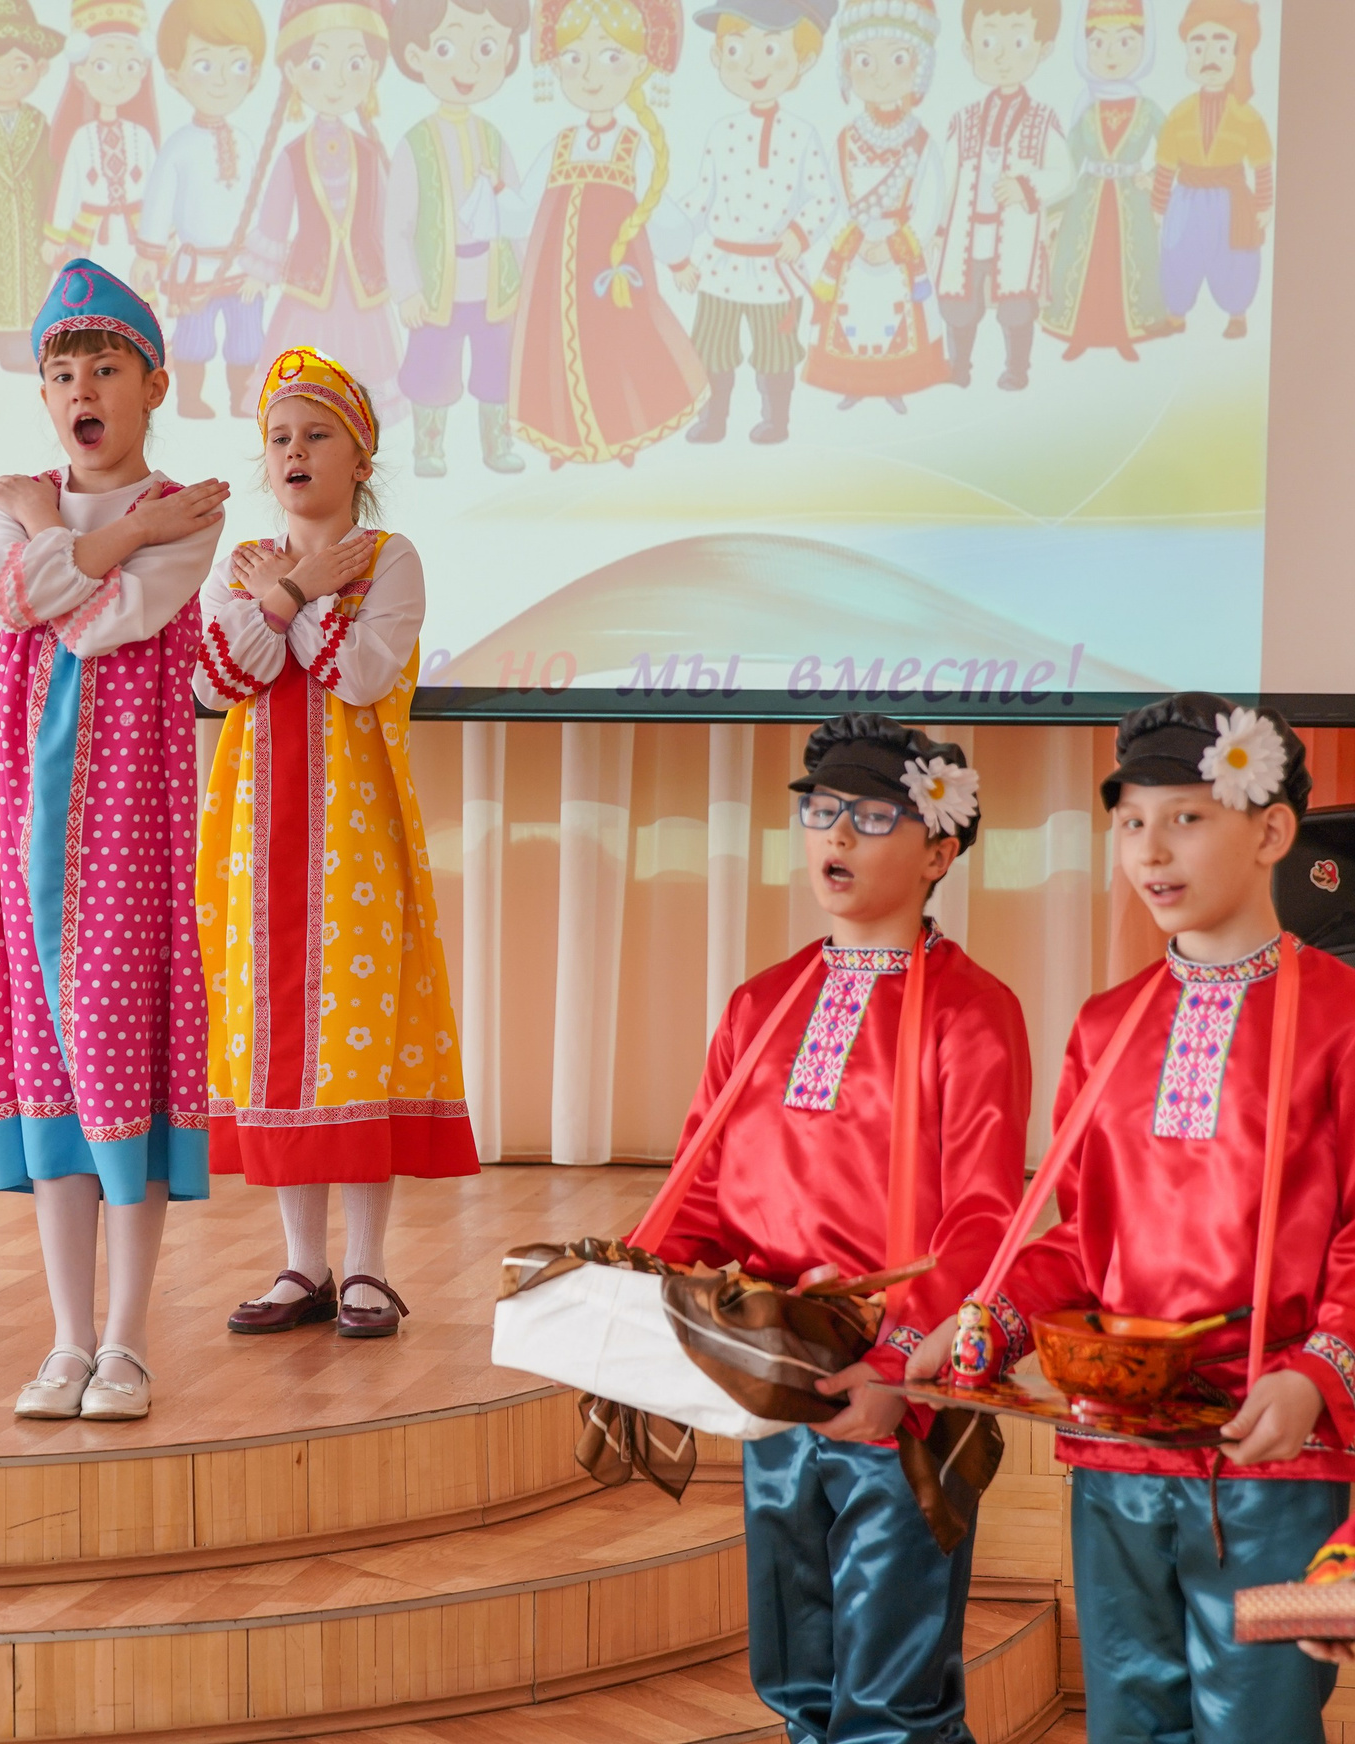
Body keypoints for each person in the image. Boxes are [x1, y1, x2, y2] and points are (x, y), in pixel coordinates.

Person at [917, 696, 1355, 1744]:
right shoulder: (1105, 1027)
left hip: (1275, 1460)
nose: (1148, 850)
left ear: (1271, 831)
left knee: (1257, 1723)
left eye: (1185, 818)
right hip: (1112, 1457)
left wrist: (1318, 1369)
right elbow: (1079, 1235)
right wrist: (990, 1319)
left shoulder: (1342, 1015)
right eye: (1128, 822)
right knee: (1126, 1715)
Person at [635, 718, 1028, 1744]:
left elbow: (983, 1214)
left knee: (895, 1701)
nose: (834, 835)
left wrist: (903, 1357)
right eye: (819, 812)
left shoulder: (972, 1013)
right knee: (795, 1673)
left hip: (898, 1389)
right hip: (774, 1378)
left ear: (938, 851)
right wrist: (639, 1290)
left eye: (870, 815)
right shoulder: (761, 1001)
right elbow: (700, 1185)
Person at [0, 260, 229, 1423]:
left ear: (152, 383)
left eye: (106, 366)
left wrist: (82, 544)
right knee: (47, 1081)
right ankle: (64, 1338)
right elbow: (15, 600)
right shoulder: (15, 503)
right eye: (62, 370)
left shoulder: (190, 512)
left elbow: (110, 617)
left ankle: (126, 1339)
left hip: (127, 830)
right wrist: (51, 527)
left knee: (122, 1060)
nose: (83, 387)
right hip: (27, 835)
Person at [194, 347, 478, 1340]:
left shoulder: (391, 557)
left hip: (352, 840)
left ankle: (365, 1267)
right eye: (279, 437)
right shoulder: (240, 565)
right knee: (274, 1041)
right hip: (255, 844)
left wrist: (300, 595)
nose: (294, 452)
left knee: (353, 1034)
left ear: (359, 458)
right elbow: (218, 677)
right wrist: (290, 588)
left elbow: (357, 673)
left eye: (316, 435)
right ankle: (299, 1264)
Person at [496, 0, 706, 467]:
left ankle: (618, 435)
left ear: (639, 63)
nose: (590, 74)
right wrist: (495, 193)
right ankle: (563, 437)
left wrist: (679, 258)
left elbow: (660, 212)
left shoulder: (633, 146)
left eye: (610, 57)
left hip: (614, 275)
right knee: (554, 348)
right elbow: (526, 204)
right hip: (555, 277)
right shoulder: (562, 143)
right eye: (575, 58)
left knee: (613, 348)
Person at [673, 0, 839, 446]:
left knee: (775, 354)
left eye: (771, 48)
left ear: (803, 58)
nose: (751, 64)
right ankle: (714, 419)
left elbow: (824, 196)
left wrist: (799, 234)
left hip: (775, 269)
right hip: (721, 266)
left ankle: (777, 420)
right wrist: (673, 242)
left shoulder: (801, 134)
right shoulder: (722, 132)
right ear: (717, 55)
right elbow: (700, 198)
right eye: (735, 48)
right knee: (712, 348)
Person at [386, 0, 531, 477]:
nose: (468, 65)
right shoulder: (415, 143)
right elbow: (398, 226)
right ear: (415, 54)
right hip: (436, 292)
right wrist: (407, 290)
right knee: (431, 373)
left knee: (497, 372)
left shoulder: (495, 138)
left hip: (494, 287)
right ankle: (428, 449)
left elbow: (518, 219)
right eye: (447, 46)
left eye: (486, 47)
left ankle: (497, 443)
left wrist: (527, 277)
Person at [242, 0, 406, 416]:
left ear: (372, 70)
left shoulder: (371, 154)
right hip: (309, 285)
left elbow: (390, 222)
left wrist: (406, 276)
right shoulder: (294, 154)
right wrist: (260, 274)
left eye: (353, 63)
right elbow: (275, 216)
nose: (335, 81)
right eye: (318, 62)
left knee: (366, 372)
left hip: (365, 283)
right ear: (293, 72)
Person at [803, 0, 951, 411]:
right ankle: (853, 383)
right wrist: (849, 240)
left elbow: (931, 204)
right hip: (853, 249)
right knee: (853, 321)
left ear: (918, 66)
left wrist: (896, 244)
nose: (881, 75)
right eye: (866, 60)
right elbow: (829, 196)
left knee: (897, 322)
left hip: (898, 251)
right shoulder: (845, 140)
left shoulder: (921, 145)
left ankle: (895, 385)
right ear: (848, 66)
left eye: (897, 58)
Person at [135, 0, 269, 420]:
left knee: (247, 337)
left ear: (255, 74)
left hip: (242, 266)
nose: (221, 80)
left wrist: (262, 264)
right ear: (175, 76)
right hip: (195, 267)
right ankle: (190, 400)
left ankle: (240, 400)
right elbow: (157, 202)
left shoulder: (246, 145)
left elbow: (262, 207)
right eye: (204, 65)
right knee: (194, 337)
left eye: (237, 64)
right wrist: (148, 255)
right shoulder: (178, 146)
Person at [933, 0, 1070, 392]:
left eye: (1019, 41)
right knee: (961, 302)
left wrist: (1027, 187)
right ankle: (959, 368)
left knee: (1015, 303)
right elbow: (948, 178)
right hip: (967, 232)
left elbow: (1064, 173)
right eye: (989, 41)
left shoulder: (1042, 119)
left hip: (1016, 231)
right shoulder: (963, 119)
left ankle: (1017, 370)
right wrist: (939, 229)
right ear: (969, 49)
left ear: (1043, 49)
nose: (1003, 56)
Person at [1039, 0, 1182, 362]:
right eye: (1098, 43)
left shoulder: (1147, 108)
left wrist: (1154, 178)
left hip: (1131, 202)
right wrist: (1052, 211)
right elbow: (1068, 162)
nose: (1110, 54)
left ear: (1143, 46)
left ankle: (1125, 334)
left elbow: (1173, 146)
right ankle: (1080, 334)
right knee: (1082, 264)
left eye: (1125, 42)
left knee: (1130, 264)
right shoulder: (1086, 107)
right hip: (1087, 199)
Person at [0, 0, 66, 388]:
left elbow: (54, 180)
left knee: (27, 296)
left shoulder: (39, 124)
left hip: (29, 235)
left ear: (39, 69)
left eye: (20, 66)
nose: (7, 77)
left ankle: (22, 351)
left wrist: (55, 230)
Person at [1153, 0, 1273, 342]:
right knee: (1177, 254)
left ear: (1237, 54)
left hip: (1231, 200)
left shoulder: (1247, 116)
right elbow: (1166, 164)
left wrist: (1263, 206)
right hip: (1187, 198)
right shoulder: (1180, 113)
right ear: (1188, 52)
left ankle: (1238, 314)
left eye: (1221, 45)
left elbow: (1262, 165)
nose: (1209, 56)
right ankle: (1175, 315)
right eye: (1198, 44)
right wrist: (1158, 207)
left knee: (1235, 257)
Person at [49, 0, 162, 280]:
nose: (118, 78)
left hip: (134, 237)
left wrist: (163, 235)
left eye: (131, 64)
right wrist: (55, 236)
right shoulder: (81, 138)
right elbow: (68, 189)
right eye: (102, 65)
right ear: (81, 72)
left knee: (133, 306)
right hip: (89, 237)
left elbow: (156, 192)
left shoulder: (142, 137)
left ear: (144, 71)